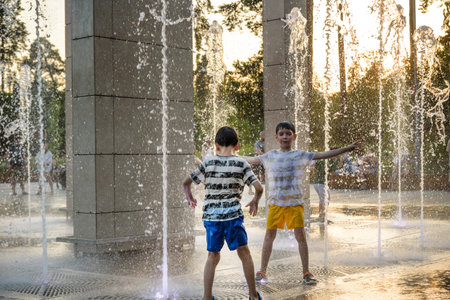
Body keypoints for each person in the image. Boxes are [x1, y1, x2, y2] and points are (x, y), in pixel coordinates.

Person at [244, 121, 360, 285]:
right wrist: (226, 154)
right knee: (269, 236)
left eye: (288, 133)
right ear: (276, 137)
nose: (285, 136)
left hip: (295, 203)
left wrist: (347, 148)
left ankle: (306, 272)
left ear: (294, 136)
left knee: (301, 237)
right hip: (275, 204)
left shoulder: (301, 155)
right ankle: (262, 271)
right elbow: (250, 160)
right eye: (282, 134)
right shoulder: (270, 156)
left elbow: (325, 154)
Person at [183, 126, 263, 300]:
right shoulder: (241, 163)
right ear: (238, 146)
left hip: (212, 218)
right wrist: (255, 201)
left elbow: (186, 182)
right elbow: (259, 188)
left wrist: (189, 197)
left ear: (216, 145)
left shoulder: (208, 163)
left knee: (212, 255)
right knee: (244, 253)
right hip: (233, 217)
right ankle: (253, 296)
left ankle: (206, 297)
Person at [311, 157, 341, 222]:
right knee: (326, 199)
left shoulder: (321, 159)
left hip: (316, 183)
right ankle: (323, 217)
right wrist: (331, 182)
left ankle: (321, 216)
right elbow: (333, 173)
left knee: (322, 200)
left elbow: (314, 169)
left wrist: (315, 177)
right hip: (322, 183)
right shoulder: (331, 161)